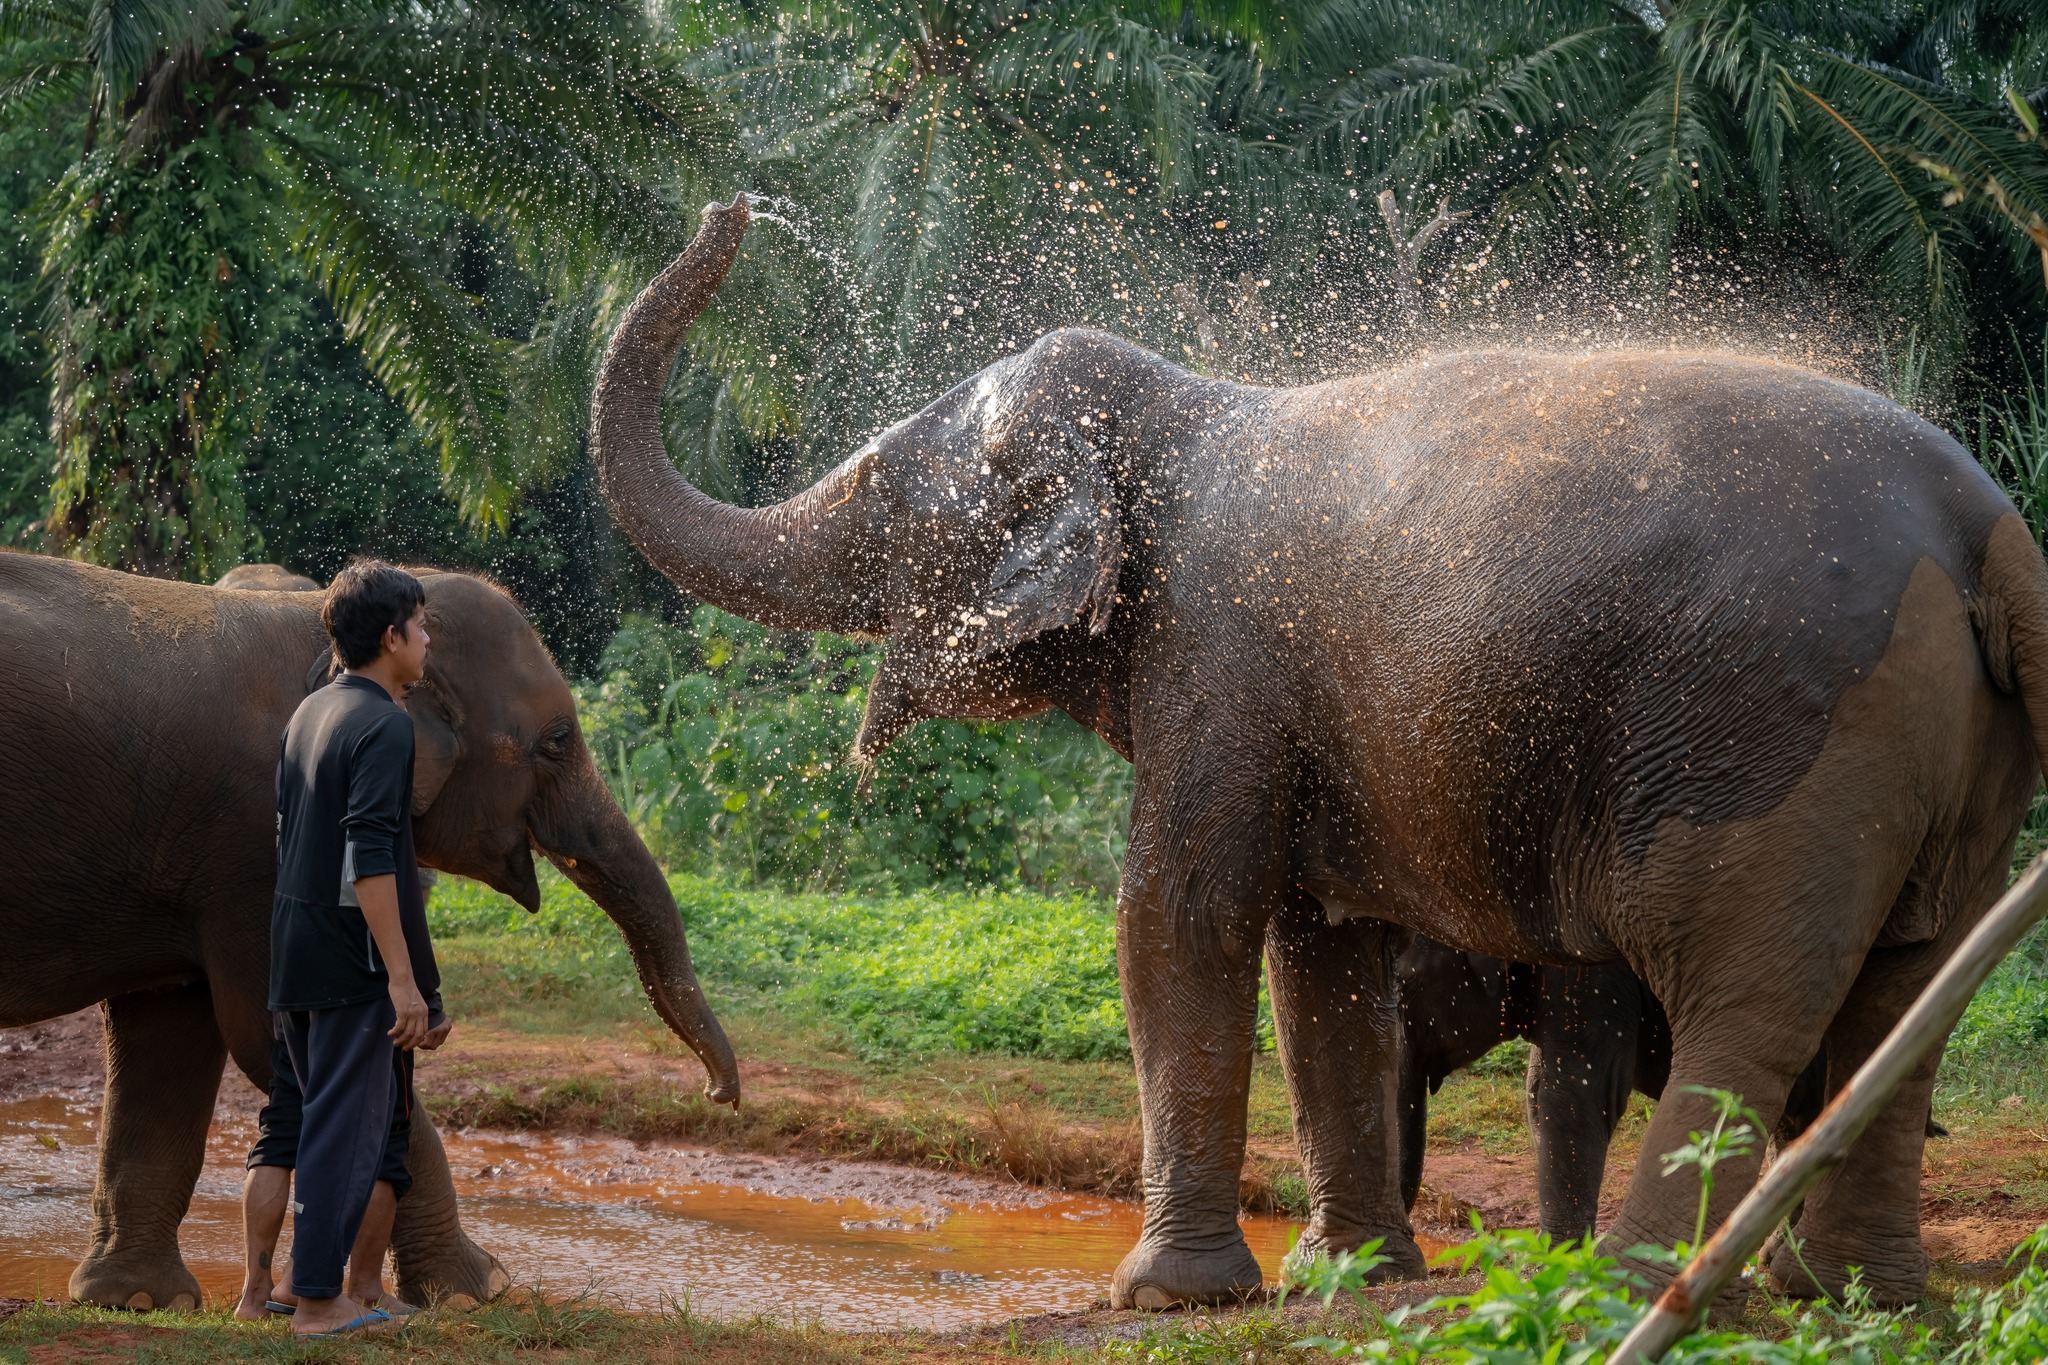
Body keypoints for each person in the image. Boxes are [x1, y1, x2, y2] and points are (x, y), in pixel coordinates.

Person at [245, 560, 448, 1340]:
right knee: (344, 1127)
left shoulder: (310, 712)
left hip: (293, 946)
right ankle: (318, 1300)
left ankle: (306, 1287)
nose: (426, 640)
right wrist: (402, 979)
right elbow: (369, 858)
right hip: (348, 956)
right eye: (420, 626)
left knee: (314, 1118)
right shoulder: (386, 725)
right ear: (391, 637)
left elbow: (292, 837)